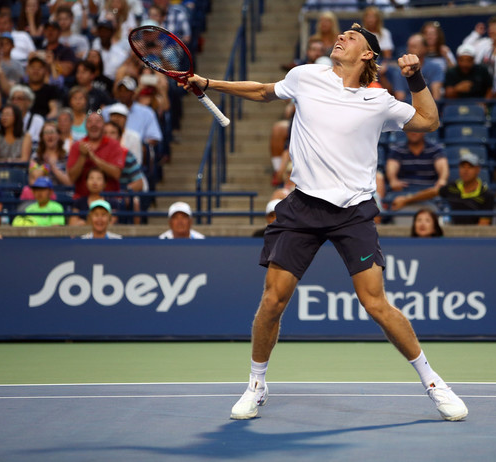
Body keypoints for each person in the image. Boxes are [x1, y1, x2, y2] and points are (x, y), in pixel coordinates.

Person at [182, 23, 468, 422]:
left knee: (375, 303)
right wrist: (208, 82)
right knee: (271, 301)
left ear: (368, 54)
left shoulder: (379, 100)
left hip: (353, 211)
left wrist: (415, 78)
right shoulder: (306, 77)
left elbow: (428, 121)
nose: (342, 38)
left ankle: (435, 384)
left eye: (353, 38)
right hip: (301, 207)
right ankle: (256, 385)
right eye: (343, 34)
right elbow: (264, 91)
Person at [392, 152, 494, 225]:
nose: (466, 170)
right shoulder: (452, 187)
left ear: (477, 170)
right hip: (451, 233)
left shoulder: (487, 194)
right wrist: (406, 200)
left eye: (470, 167)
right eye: (463, 166)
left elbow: (483, 224)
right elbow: (431, 193)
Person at [66, 111, 125, 198]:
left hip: (110, 198)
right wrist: (82, 156)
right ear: (85, 126)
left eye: (98, 121)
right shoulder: (77, 146)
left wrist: (93, 158)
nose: (94, 125)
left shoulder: (114, 145)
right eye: (90, 122)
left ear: (103, 125)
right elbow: (72, 178)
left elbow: (116, 174)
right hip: (82, 200)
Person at [384, 131, 449, 196]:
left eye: (417, 130)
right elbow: (392, 166)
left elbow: (442, 167)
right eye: (411, 129)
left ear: (424, 131)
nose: (413, 132)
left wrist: (442, 180)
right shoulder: (397, 150)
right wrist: (393, 180)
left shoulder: (435, 149)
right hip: (403, 192)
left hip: (428, 194)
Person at [390, 34, 444, 102]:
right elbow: (400, 98)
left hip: (430, 106)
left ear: (424, 48)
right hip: (409, 109)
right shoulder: (399, 71)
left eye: (414, 46)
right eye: (408, 46)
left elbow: (436, 96)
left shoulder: (436, 67)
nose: (409, 49)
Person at [30, 121, 71, 186]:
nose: (49, 135)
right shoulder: (35, 157)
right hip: (41, 193)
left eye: (52, 132)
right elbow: (34, 180)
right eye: (46, 133)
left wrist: (53, 168)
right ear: (42, 137)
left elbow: (69, 182)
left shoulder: (67, 157)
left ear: (59, 136)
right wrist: (46, 166)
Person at [25, 54, 62, 120]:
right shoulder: (21, 88)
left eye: (39, 68)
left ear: (45, 71)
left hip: (44, 123)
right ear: (28, 70)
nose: (36, 71)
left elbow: (54, 111)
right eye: (33, 67)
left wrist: (42, 122)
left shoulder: (51, 90)